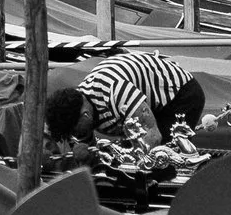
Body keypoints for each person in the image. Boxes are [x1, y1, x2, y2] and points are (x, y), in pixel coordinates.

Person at [48, 51, 205, 146]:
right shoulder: (82, 104)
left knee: (162, 154)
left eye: (75, 131)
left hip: (179, 95)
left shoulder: (116, 91)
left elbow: (153, 136)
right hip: (139, 101)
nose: (75, 136)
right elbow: (90, 152)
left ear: (85, 115)